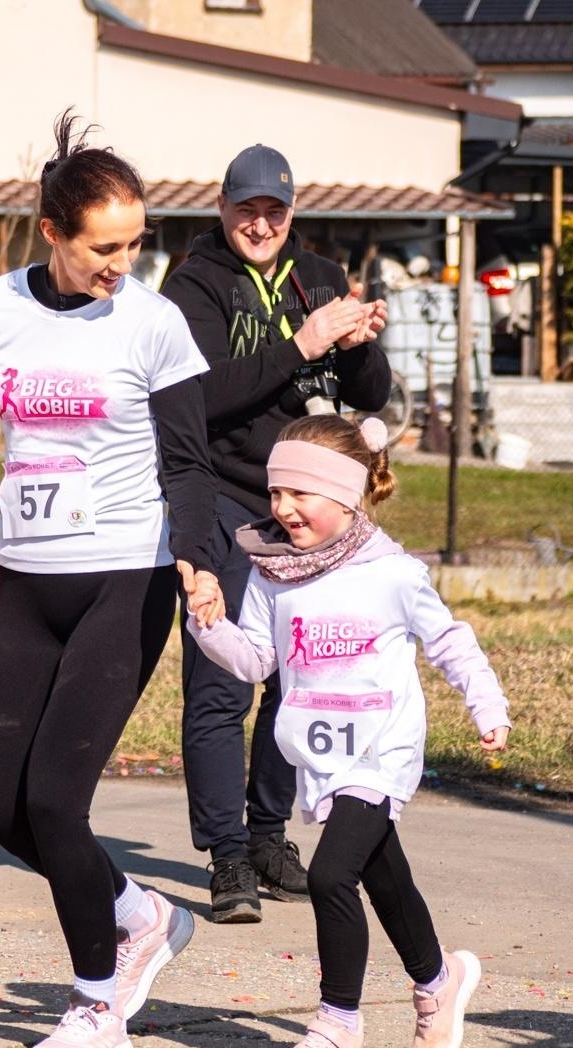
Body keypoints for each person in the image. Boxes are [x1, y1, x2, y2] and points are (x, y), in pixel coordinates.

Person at [0, 110, 225, 1048]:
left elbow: (189, 459)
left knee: (57, 801)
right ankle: (142, 916)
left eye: (137, 243)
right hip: (30, 585)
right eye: (104, 246)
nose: (123, 263)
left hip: (125, 583)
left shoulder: (154, 321)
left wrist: (194, 552)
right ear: (51, 231)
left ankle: (99, 1009)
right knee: (2, 814)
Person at [183, 413, 511, 1048]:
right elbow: (254, 662)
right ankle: (439, 983)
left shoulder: (391, 571)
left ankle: (338, 1028)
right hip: (323, 754)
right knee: (383, 875)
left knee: (333, 873)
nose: (283, 508)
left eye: (300, 494)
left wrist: (486, 703)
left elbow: (449, 640)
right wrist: (206, 624)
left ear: (345, 492)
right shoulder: (273, 571)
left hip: (383, 747)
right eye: (276, 493)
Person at [160, 143, 392, 923]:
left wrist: (361, 345)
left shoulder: (321, 277)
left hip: (314, 507)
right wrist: (303, 343)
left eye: (275, 210)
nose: (260, 224)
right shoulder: (192, 285)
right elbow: (201, 394)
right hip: (229, 496)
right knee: (222, 681)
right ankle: (227, 856)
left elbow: (367, 391)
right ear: (221, 208)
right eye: (246, 209)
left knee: (295, 677)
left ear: (292, 213)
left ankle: (267, 837)